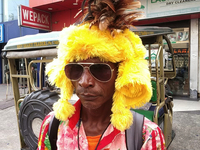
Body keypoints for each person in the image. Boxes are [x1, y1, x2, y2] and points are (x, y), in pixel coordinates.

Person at [37, 0, 166, 149]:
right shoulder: (52, 126)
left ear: (122, 74)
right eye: (75, 69)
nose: (84, 82)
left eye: (100, 69)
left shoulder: (146, 136)